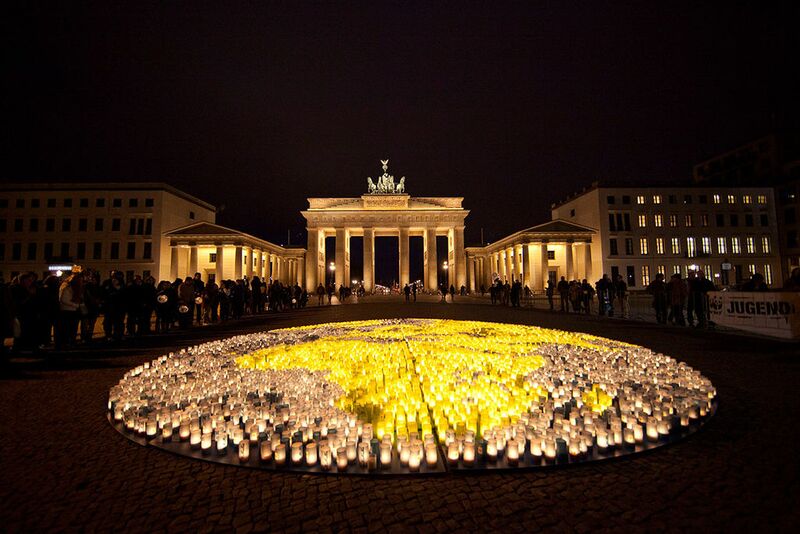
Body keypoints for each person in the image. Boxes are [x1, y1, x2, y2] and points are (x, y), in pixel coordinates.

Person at [55, 274, 83, 350]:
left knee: (72, 328)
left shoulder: (73, 287)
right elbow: (63, 300)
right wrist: (75, 305)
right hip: (67, 311)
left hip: (72, 311)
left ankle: (70, 342)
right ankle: (66, 343)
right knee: (68, 328)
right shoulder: (66, 287)